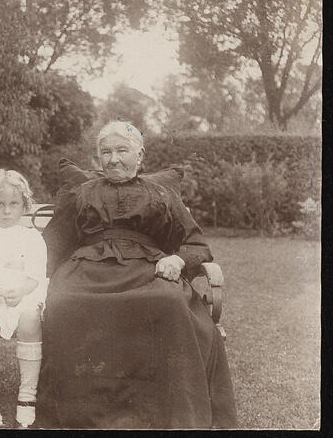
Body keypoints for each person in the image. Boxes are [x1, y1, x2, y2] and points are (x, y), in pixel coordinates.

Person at [36, 121, 237, 429]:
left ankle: (163, 412)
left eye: (122, 150)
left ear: (140, 156)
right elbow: (52, 243)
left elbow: (196, 243)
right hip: (87, 271)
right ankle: (80, 414)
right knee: (64, 302)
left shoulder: (162, 194)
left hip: (148, 270)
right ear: (98, 158)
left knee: (167, 301)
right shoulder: (81, 193)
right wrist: (32, 279)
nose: (114, 159)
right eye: (106, 152)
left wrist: (179, 261)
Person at [0, 169, 48, 428]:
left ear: (24, 205)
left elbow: (36, 274)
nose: (6, 210)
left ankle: (27, 396)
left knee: (31, 319)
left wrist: (22, 291)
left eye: (13, 204)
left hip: (22, 292)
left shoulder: (31, 236)